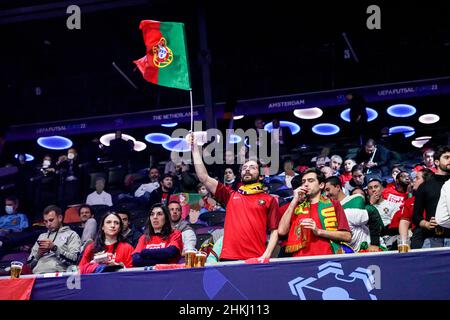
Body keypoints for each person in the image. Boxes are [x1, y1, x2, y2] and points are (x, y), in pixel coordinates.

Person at [190, 133, 280, 261]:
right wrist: (194, 149)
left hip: (255, 258)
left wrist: (266, 255)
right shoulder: (230, 195)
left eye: (252, 168)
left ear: (261, 176)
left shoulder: (269, 199)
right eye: (244, 168)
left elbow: (274, 231)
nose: (247, 170)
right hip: (228, 258)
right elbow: (203, 177)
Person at [278, 168, 351, 256]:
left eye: (310, 181)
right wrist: (294, 200)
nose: (305, 184)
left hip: (326, 259)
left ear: (321, 185)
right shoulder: (297, 207)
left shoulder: (334, 204)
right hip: (300, 261)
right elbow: (281, 231)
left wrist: (319, 231)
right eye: (303, 182)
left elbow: (347, 236)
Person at [325, 176, 383, 252]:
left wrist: (374, 243)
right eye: (324, 191)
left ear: (338, 187)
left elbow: (372, 213)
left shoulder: (355, 199)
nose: (326, 194)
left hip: (368, 248)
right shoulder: (328, 208)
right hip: (350, 251)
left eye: (328, 190)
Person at [412, 146, 450, 248]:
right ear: (437, 162)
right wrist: (426, 224)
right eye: (446, 157)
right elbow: (416, 216)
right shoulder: (425, 186)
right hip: (434, 238)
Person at [27, 205, 81, 274]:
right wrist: (38, 254)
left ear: (60, 218)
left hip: (57, 275)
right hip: (37, 276)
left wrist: (54, 248)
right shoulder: (42, 237)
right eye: (46, 222)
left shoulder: (71, 234)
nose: (48, 224)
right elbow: (29, 265)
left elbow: (75, 260)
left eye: (51, 220)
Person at [399, 168, 434, 248]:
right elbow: (404, 222)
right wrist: (404, 243)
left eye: (417, 178)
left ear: (426, 181)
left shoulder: (439, 196)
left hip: (437, 231)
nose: (413, 180)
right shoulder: (409, 201)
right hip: (419, 234)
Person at [366, 178, 401, 249]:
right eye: (370, 188)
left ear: (382, 189)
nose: (373, 190)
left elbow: (394, 225)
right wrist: (371, 204)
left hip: (389, 236)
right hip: (370, 237)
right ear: (367, 192)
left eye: (376, 187)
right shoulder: (365, 207)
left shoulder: (393, 205)